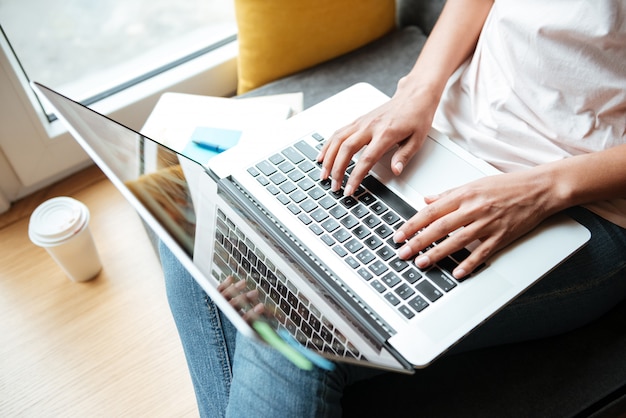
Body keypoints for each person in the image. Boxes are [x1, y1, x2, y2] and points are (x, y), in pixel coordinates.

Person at [160, 0, 626, 416]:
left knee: (293, 326)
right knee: (196, 213)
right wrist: (418, 88)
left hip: (580, 202)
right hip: (445, 137)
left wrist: (544, 188)